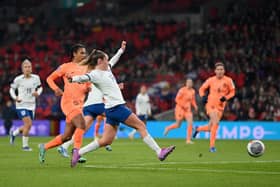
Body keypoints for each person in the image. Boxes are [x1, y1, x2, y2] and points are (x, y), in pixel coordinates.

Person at [68, 41, 175, 167]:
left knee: (106, 140)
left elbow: (114, 60)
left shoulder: (107, 69)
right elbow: (84, 77)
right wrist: (73, 78)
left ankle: (79, 153)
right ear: (100, 61)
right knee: (141, 126)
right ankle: (159, 152)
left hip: (110, 110)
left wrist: (121, 51)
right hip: (117, 107)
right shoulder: (95, 74)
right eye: (106, 60)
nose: (108, 62)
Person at [39, 44, 91, 167]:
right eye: (82, 53)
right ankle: (76, 153)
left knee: (67, 137)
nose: (85, 55)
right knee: (82, 124)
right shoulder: (65, 67)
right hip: (68, 102)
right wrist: (56, 89)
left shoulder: (86, 68)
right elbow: (49, 79)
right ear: (74, 53)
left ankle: (44, 147)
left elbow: (87, 85)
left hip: (79, 104)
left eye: (85, 53)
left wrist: (88, 88)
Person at [193, 62, 235, 152]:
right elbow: (201, 89)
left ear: (224, 71)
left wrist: (226, 97)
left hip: (220, 107)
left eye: (221, 69)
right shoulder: (210, 80)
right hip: (210, 105)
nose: (220, 71)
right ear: (215, 71)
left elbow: (232, 92)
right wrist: (203, 96)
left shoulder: (228, 80)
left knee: (210, 128)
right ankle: (212, 147)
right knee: (216, 124)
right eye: (218, 69)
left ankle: (198, 129)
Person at [9, 59, 43, 151]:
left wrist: (38, 93)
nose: (27, 68)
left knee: (28, 126)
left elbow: (40, 88)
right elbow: (11, 89)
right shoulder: (18, 79)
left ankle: (14, 133)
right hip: (21, 105)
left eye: (29, 67)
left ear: (31, 68)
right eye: (25, 67)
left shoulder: (36, 78)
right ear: (22, 69)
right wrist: (15, 97)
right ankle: (25, 146)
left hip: (32, 105)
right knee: (28, 123)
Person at [163, 78, 198, 144]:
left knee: (190, 123)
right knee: (178, 125)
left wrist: (195, 106)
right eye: (188, 82)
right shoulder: (182, 90)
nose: (190, 84)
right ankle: (168, 128)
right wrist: (183, 105)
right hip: (180, 109)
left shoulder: (193, 91)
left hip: (188, 110)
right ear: (186, 83)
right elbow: (176, 99)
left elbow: (193, 100)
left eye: (191, 82)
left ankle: (188, 140)